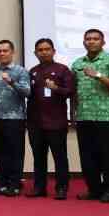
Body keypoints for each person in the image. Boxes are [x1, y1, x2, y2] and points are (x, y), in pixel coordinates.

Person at [71, 29, 109, 204]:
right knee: (87, 156)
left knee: (106, 155)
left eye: (95, 39)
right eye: (88, 39)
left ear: (103, 42)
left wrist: (98, 75)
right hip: (83, 116)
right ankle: (94, 190)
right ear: (84, 42)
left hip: (105, 117)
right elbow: (74, 92)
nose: (91, 41)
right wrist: (72, 114)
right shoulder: (77, 64)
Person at [27, 38, 75, 200]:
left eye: (47, 49)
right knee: (38, 157)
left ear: (53, 51)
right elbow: (28, 94)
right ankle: (39, 188)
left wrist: (56, 88)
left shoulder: (63, 70)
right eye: (40, 50)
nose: (44, 52)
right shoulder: (32, 71)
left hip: (56, 122)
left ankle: (61, 188)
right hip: (35, 122)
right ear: (35, 53)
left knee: (59, 157)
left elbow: (70, 92)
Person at [0, 40, 31, 197]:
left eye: (5, 51)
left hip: (15, 118)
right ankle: (1, 183)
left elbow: (27, 92)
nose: (2, 54)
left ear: (12, 52)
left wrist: (11, 82)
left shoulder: (20, 71)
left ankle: (15, 184)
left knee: (15, 152)